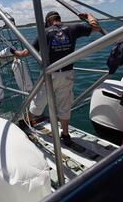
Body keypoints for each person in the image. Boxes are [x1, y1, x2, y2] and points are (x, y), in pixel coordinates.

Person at [14, 11, 101, 145]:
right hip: (67, 73)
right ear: (59, 19)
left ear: (48, 22)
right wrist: (88, 15)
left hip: (50, 74)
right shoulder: (73, 28)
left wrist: (13, 52)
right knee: (64, 106)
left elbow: (24, 53)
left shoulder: (44, 33)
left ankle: (27, 122)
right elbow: (96, 27)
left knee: (38, 103)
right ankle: (65, 135)